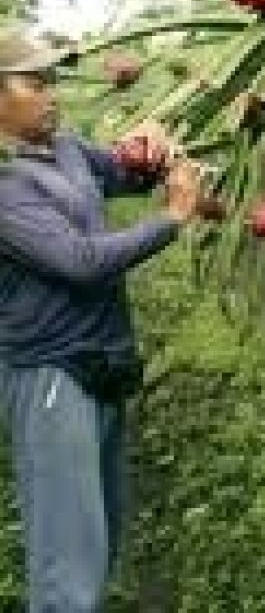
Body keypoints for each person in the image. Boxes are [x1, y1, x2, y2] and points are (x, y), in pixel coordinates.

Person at [0, 30, 202, 612]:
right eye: (33, 83)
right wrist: (172, 218)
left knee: (102, 541)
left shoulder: (62, 147)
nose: (50, 95)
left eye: (52, 81)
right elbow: (80, 263)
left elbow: (120, 172)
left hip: (100, 369)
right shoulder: (6, 188)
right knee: (68, 566)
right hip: (50, 378)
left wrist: (152, 152)